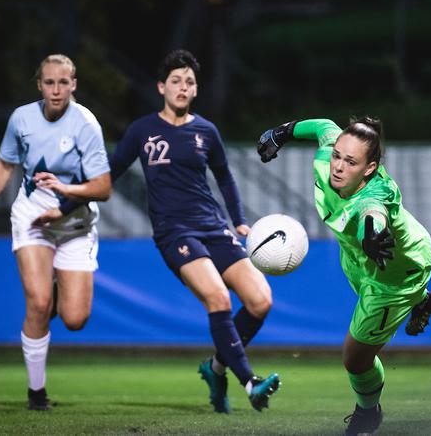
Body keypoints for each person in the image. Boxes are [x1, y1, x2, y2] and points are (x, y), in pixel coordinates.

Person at [62, 49, 278, 413]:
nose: (182, 87)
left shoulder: (206, 131)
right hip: (174, 232)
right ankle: (250, 382)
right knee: (219, 300)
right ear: (161, 87)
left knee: (260, 300)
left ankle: (215, 368)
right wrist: (61, 206)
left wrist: (238, 219)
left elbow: (224, 178)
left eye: (189, 82)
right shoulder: (142, 130)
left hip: (214, 227)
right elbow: (109, 174)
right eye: (175, 81)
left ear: (195, 90)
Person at [257, 117, 431, 435]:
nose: (338, 166)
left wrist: (372, 233)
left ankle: (368, 413)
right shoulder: (328, 155)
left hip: (395, 274)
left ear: (369, 169)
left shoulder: (376, 194)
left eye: (350, 161)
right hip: (358, 259)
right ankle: (423, 303)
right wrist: (281, 133)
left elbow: (374, 212)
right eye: (338, 155)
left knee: (355, 359)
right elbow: (324, 126)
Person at [0, 54, 112, 411]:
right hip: (32, 219)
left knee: (75, 319)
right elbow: (4, 163)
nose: (56, 90)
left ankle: (54, 290)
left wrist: (64, 190)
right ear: (39, 84)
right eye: (49, 82)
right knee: (38, 303)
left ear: (74, 84)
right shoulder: (22, 119)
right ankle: (36, 394)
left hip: (75, 224)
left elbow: (103, 187)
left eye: (63, 82)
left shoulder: (86, 124)